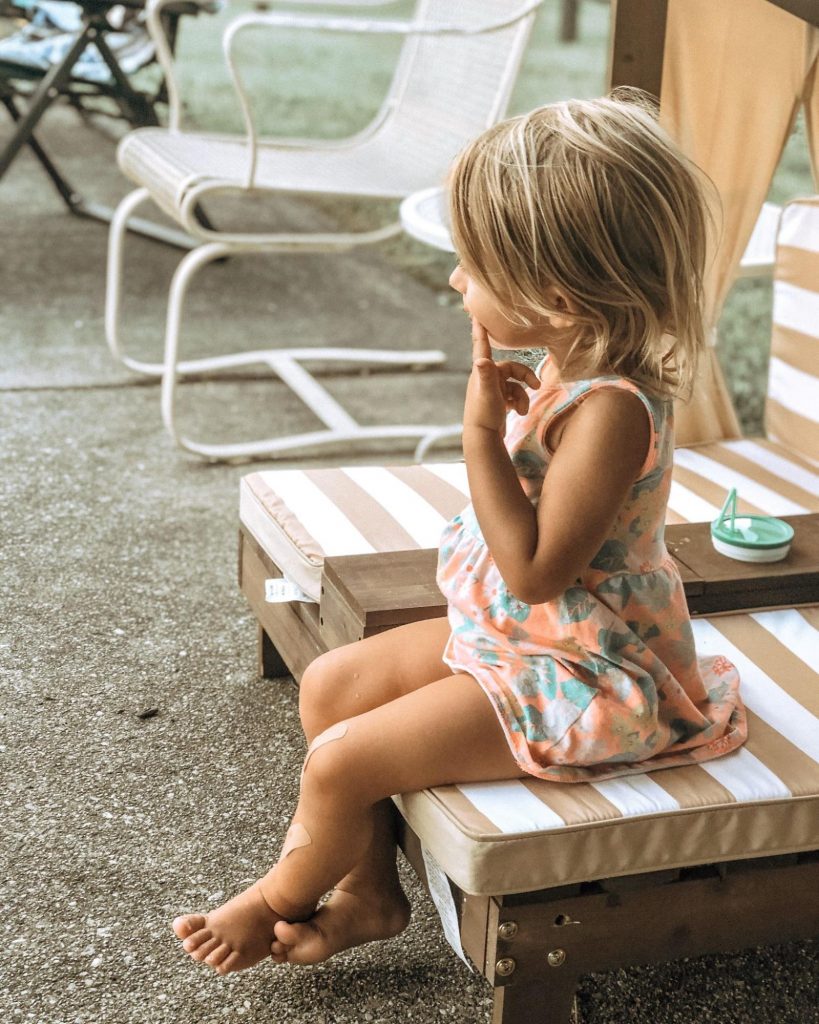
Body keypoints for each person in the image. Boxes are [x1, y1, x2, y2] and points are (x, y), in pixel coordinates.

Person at [172, 93, 747, 975]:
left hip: (581, 670)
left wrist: (478, 433)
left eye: (471, 267)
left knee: (337, 765)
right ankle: (369, 892)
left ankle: (274, 899)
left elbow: (534, 572)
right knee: (328, 685)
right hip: (522, 641)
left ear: (556, 297)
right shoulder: (566, 360)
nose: (454, 283)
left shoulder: (611, 413)